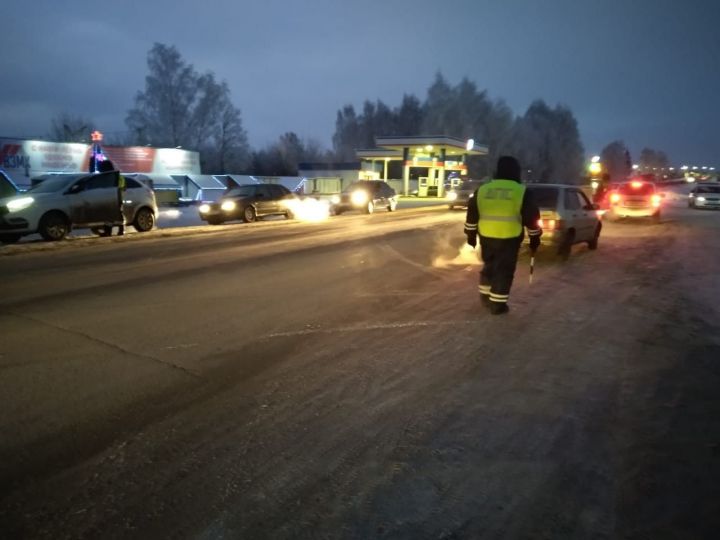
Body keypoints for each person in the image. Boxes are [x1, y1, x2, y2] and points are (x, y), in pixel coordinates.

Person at [464, 156, 542, 315]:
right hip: (509, 238)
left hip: (486, 236)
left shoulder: (483, 190)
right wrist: (535, 237)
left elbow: (472, 213)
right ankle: (497, 305)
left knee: (489, 266)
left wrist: (470, 235)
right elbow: (531, 218)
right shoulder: (521, 191)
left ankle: (485, 297)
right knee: (504, 270)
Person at [97, 159, 126, 236]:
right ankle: (113, 231)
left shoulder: (112, 176)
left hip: (115, 197)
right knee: (111, 215)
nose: (100, 170)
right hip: (113, 197)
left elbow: (120, 187)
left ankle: (120, 230)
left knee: (115, 214)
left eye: (101, 168)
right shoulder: (114, 175)